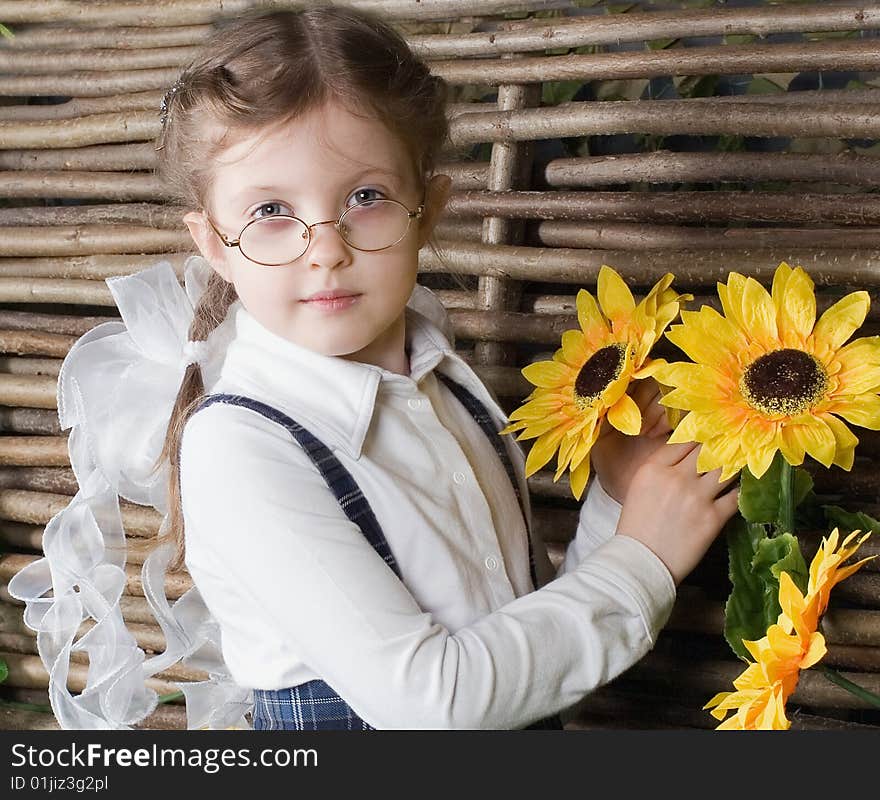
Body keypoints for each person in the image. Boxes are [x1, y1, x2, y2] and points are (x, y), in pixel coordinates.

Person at [11, 6, 739, 731]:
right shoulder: (238, 447)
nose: (324, 247)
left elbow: (533, 665)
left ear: (428, 210)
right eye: (270, 209)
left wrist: (618, 504)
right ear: (213, 243)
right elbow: (434, 703)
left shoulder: (448, 387)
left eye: (364, 198)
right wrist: (644, 558)